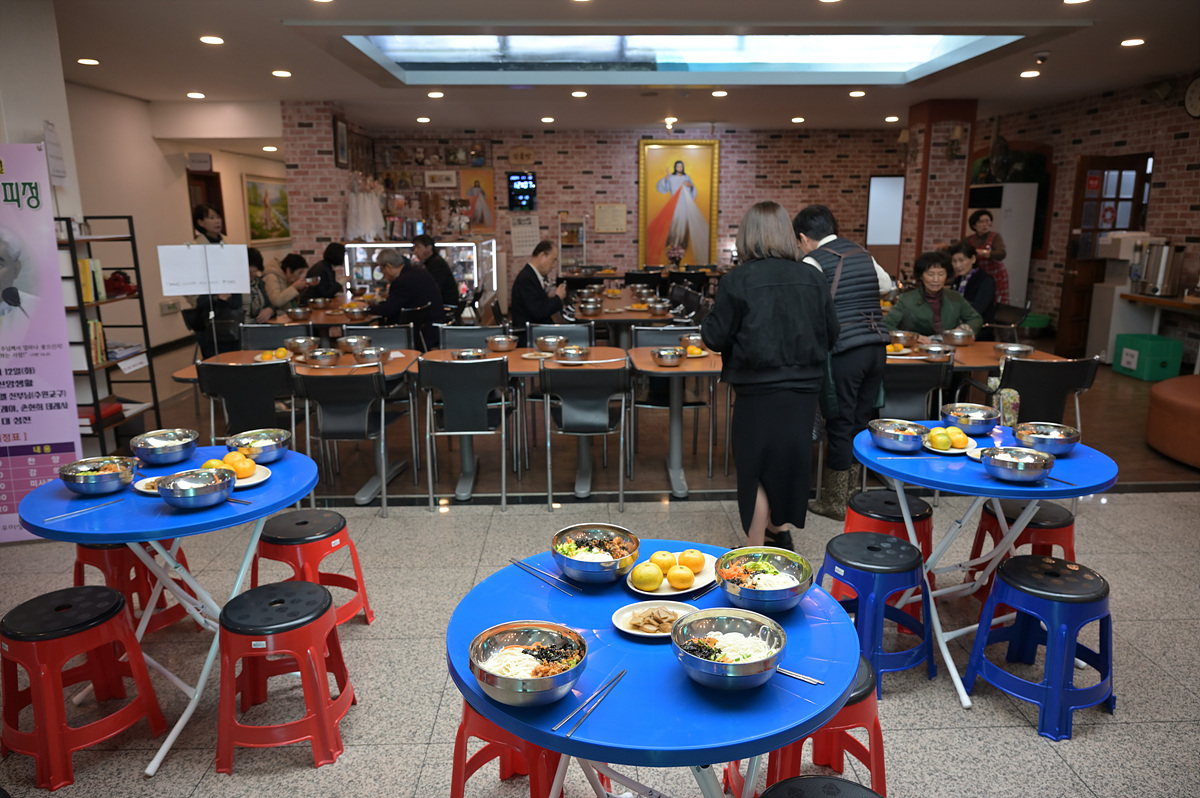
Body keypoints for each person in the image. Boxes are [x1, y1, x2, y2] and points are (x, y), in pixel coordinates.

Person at [701, 201, 839, 550]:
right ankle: (780, 530)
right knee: (786, 463)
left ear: (747, 236)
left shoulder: (737, 280)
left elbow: (714, 337)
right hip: (804, 389)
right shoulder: (813, 277)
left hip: (757, 390)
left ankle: (754, 546)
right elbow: (832, 333)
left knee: (755, 468)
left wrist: (709, 315)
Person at [793, 204, 891, 521]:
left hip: (845, 351)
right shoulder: (863, 254)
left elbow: (806, 304)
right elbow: (886, 286)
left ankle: (835, 502)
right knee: (861, 421)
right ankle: (852, 497)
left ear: (803, 237)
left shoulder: (813, 260)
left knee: (839, 421)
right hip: (876, 347)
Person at [884, 250, 983, 340]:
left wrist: (962, 330)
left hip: (950, 347)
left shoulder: (955, 297)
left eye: (941, 274)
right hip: (918, 348)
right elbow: (886, 324)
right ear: (921, 276)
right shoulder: (906, 300)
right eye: (930, 274)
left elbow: (975, 319)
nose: (936, 280)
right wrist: (913, 337)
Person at [367, 248, 447, 349]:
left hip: (419, 334)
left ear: (388, 266)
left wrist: (367, 308)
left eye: (382, 270)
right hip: (434, 327)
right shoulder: (419, 272)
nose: (383, 274)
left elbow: (388, 310)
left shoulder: (402, 281)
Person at [648, 159, 710, 264]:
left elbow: (693, 190)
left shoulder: (687, 177)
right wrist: (666, 178)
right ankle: (673, 244)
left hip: (684, 203)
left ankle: (681, 244)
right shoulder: (671, 178)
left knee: (683, 223)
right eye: (678, 166)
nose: (679, 168)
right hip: (674, 203)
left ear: (683, 168)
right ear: (675, 167)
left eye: (681, 166)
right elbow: (663, 189)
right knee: (674, 223)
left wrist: (689, 185)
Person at [510, 240, 567, 344]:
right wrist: (558, 298)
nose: (553, 265)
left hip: (537, 330)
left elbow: (539, 305)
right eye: (553, 260)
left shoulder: (531, 275)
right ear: (542, 256)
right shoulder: (526, 279)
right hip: (530, 335)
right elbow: (538, 311)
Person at [947, 240, 997, 332]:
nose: (957, 265)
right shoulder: (958, 280)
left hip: (978, 329)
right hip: (957, 327)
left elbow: (977, 309)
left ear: (973, 259)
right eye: (954, 261)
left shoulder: (985, 280)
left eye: (961, 260)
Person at [965, 210, 1010, 304]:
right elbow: (957, 248)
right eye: (981, 222)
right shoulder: (970, 239)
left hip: (995, 275)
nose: (985, 224)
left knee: (996, 301)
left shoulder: (995, 236)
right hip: (979, 276)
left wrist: (985, 253)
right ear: (974, 225)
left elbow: (1002, 253)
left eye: (987, 221)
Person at [412, 234, 459, 306]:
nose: (415, 251)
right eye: (414, 248)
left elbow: (434, 289)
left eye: (418, 247)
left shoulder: (436, 263)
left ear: (429, 247)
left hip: (445, 304)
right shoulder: (432, 261)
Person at [245, 247, 274, 323]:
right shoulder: (234, 286)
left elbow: (269, 305)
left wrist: (270, 310)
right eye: (249, 272)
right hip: (244, 326)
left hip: (259, 325)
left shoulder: (259, 283)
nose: (252, 274)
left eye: (254, 271)